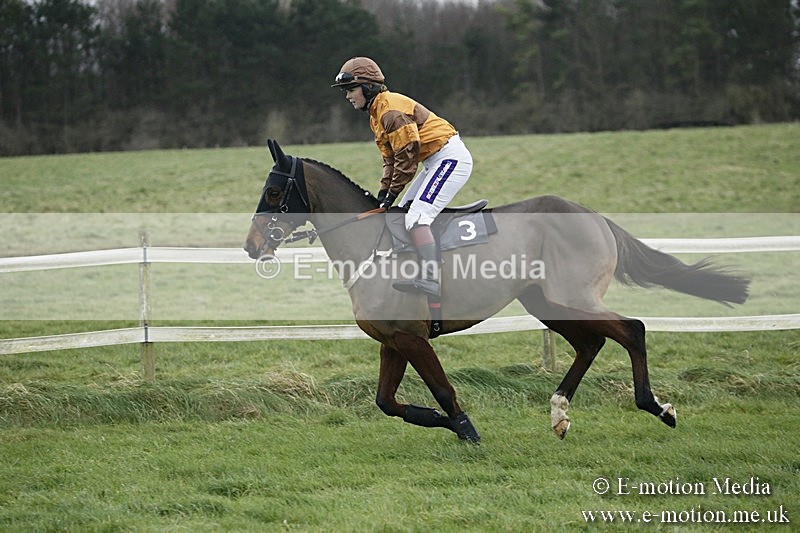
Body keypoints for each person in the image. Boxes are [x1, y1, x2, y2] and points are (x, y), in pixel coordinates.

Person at [331, 57, 473, 297]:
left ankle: (430, 278)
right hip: (433, 161)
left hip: (450, 158)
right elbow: (390, 160)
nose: (347, 96)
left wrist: (392, 192)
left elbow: (407, 157)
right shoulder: (376, 115)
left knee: (417, 217)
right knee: (403, 212)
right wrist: (384, 193)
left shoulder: (391, 112)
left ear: (368, 87)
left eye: (351, 90)